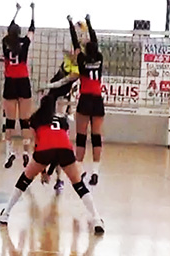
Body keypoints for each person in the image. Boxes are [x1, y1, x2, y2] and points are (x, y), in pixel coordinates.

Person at [0, 94, 104, 235]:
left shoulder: (35, 119)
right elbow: (59, 146)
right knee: (79, 185)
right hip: (65, 150)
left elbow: (37, 145)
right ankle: (96, 218)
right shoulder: (63, 120)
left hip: (44, 150)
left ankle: (6, 214)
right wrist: (50, 171)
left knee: (24, 180)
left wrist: (43, 172)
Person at [69, 14, 104, 186]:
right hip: (97, 100)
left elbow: (75, 44)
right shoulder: (100, 58)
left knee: (81, 137)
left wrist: (70, 24)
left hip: (85, 100)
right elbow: (94, 39)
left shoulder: (82, 60)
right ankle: (95, 172)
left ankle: (80, 170)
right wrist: (89, 22)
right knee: (96, 137)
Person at [40, 49, 80, 194]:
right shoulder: (68, 60)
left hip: (61, 105)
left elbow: (59, 84)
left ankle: (58, 178)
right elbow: (68, 49)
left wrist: (46, 86)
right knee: (45, 141)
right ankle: (42, 172)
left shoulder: (76, 71)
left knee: (58, 144)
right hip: (50, 104)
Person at [2, 2, 35, 169]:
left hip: (10, 82)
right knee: (25, 121)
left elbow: (10, 28)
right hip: (23, 81)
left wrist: (16, 11)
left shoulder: (5, 42)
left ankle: (10, 152)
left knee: (10, 121)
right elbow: (32, 29)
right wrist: (33, 11)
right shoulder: (25, 43)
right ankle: (26, 153)